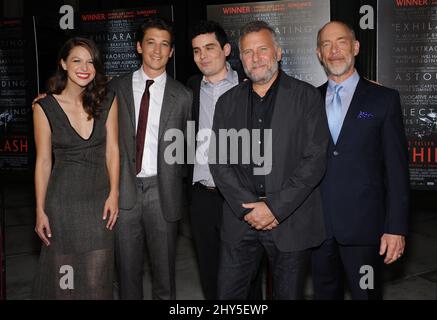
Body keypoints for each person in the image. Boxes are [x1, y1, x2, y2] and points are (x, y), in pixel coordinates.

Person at [209, 20, 329, 300]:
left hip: (290, 222)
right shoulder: (227, 103)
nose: (255, 58)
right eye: (248, 52)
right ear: (241, 59)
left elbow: (314, 161)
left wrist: (274, 208)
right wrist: (250, 209)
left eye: (263, 49)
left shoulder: (306, 97)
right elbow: (219, 161)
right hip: (240, 223)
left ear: (278, 53)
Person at [311, 21, 409, 300]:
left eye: (341, 42)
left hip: (366, 230)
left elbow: (397, 170)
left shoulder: (384, 99)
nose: (334, 51)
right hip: (318, 230)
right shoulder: (308, 100)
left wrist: (396, 228)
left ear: (355, 47)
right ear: (319, 53)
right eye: (326, 45)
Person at [108, 17, 192, 300]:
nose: (157, 50)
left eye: (164, 44)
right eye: (151, 43)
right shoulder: (114, 89)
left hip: (163, 192)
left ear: (171, 52)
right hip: (123, 192)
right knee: (126, 275)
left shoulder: (183, 96)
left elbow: (193, 144)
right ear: (139, 47)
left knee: (165, 277)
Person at [32, 37, 119, 299]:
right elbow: (43, 162)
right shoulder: (44, 107)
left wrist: (114, 193)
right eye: (77, 60)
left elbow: (112, 150)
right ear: (63, 64)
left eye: (90, 62)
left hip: (99, 204)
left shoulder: (107, 101)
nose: (84, 67)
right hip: (62, 205)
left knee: (97, 282)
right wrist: (40, 209)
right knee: (65, 284)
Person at [186, 20, 262, 300]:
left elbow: (293, 98)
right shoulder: (190, 89)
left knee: (248, 272)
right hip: (203, 197)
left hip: (241, 195)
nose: (202, 56)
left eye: (209, 47)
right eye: (196, 51)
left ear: (226, 49)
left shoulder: (251, 85)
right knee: (209, 272)